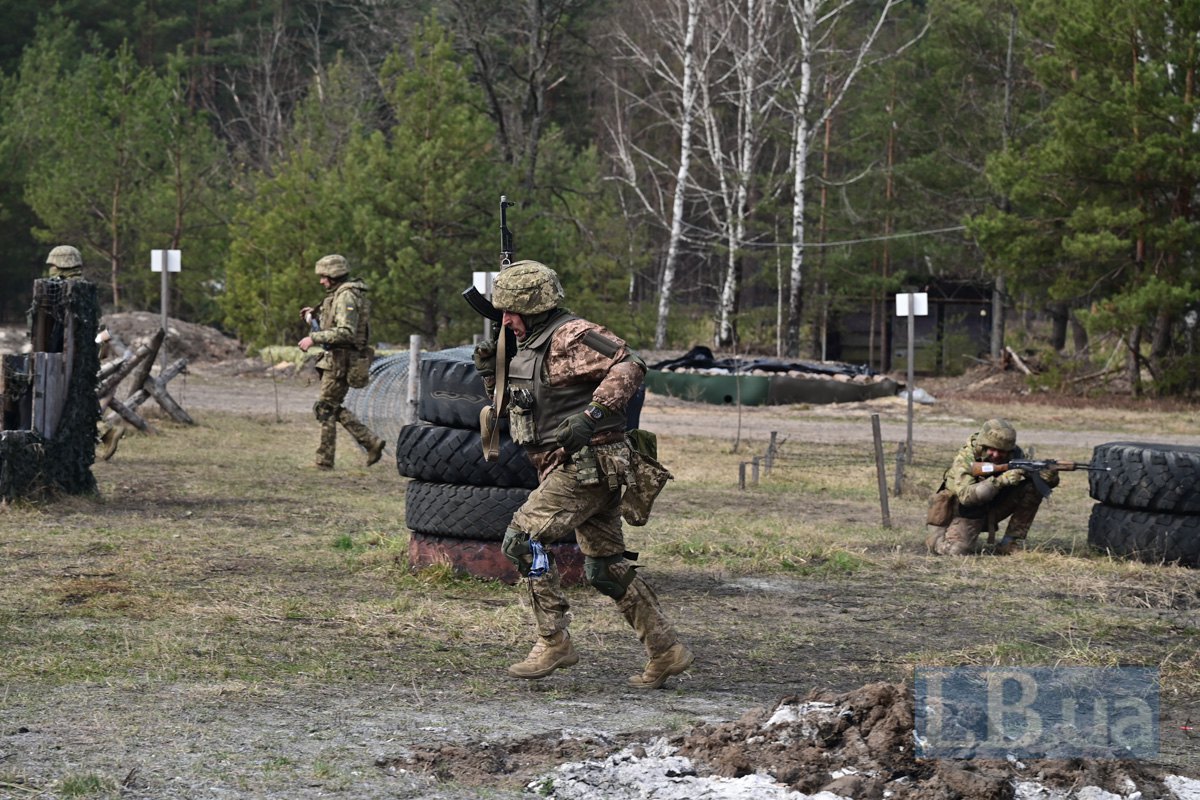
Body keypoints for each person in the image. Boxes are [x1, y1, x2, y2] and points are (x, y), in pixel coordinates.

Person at [472, 260, 693, 689]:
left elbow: (630, 364)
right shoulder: (527, 343)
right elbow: (522, 406)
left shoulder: (569, 336)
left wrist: (593, 415)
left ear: (535, 307)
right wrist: (490, 374)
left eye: (512, 311)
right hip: (578, 468)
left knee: (522, 540)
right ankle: (666, 649)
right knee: (605, 568)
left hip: (586, 466)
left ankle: (553, 639)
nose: (506, 320)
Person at [297, 254, 384, 470]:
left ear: (334, 275)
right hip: (337, 360)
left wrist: (313, 338)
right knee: (329, 406)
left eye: (324, 276)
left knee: (325, 407)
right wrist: (313, 317)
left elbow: (345, 332)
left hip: (342, 362)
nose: (321, 281)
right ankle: (370, 442)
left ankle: (325, 461)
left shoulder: (346, 296)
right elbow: (333, 324)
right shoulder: (340, 295)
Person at [925, 418, 1059, 556]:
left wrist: (1048, 476)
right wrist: (1001, 481)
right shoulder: (966, 458)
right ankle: (942, 539)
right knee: (954, 551)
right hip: (960, 511)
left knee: (1032, 488)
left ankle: (1010, 543)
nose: (996, 455)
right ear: (983, 445)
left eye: (1002, 452)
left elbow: (1042, 482)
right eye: (992, 450)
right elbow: (965, 496)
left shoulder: (1015, 455)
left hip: (991, 506)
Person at [43, 245, 123, 458]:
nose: (50, 269)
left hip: (71, 356)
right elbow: (100, 325)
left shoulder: (61, 288)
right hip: (86, 354)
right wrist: (100, 348)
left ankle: (106, 431)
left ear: (61, 264)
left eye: (52, 265)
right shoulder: (87, 288)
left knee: (71, 401)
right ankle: (106, 433)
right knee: (80, 398)